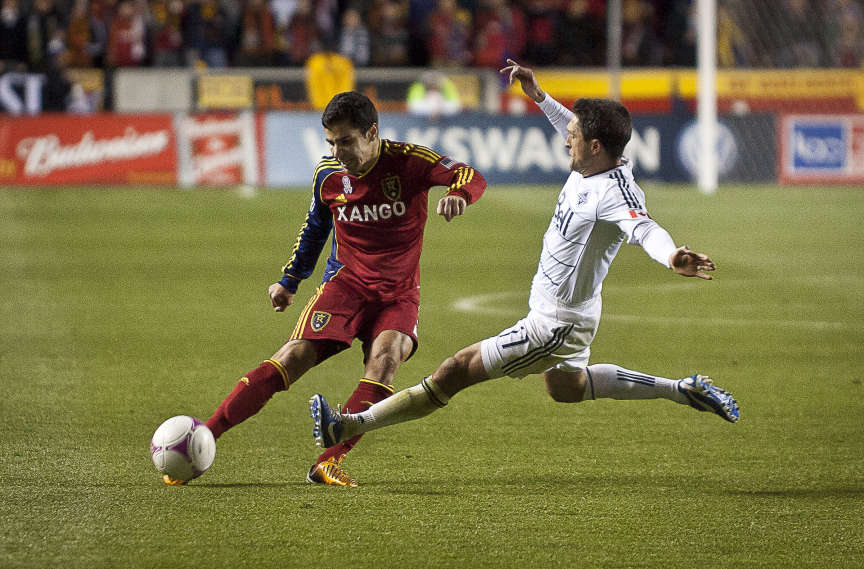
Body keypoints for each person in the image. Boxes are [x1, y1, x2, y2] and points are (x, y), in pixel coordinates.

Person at [310, 60, 739, 462]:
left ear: (594, 146)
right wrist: (538, 95)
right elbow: (566, 126)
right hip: (570, 313)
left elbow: (644, 228)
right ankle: (683, 390)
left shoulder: (614, 192)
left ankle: (348, 426)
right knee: (566, 387)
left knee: (454, 371)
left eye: (573, 135)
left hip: (555, 322)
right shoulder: (591, 164)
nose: (565, 139)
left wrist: (672, 255)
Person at [164, 91, 486, 487]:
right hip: (345, 285)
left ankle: (329, 461)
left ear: (372, 132)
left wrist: (458, 193)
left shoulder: (409, 161)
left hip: (399, 293)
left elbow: (469, 174)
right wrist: (289, 281)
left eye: (346, 141)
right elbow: (316, 229)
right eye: (331, 142)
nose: (337, 151)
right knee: (294, 356)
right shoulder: (329, 174)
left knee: (387, 359)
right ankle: (205, 435)